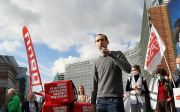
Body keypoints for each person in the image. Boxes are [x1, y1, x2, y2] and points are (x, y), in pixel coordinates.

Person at [91, 34, 131, 112]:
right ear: (96, 44)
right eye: (97, 41)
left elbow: (128, 69)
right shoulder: (96, 62)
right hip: (100, 102)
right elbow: (94, 83)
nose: (100, 42)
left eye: (102, 40)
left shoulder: (117, 54)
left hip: (115, 100)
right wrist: (93, 103)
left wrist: (111, 54)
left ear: (107, 42)